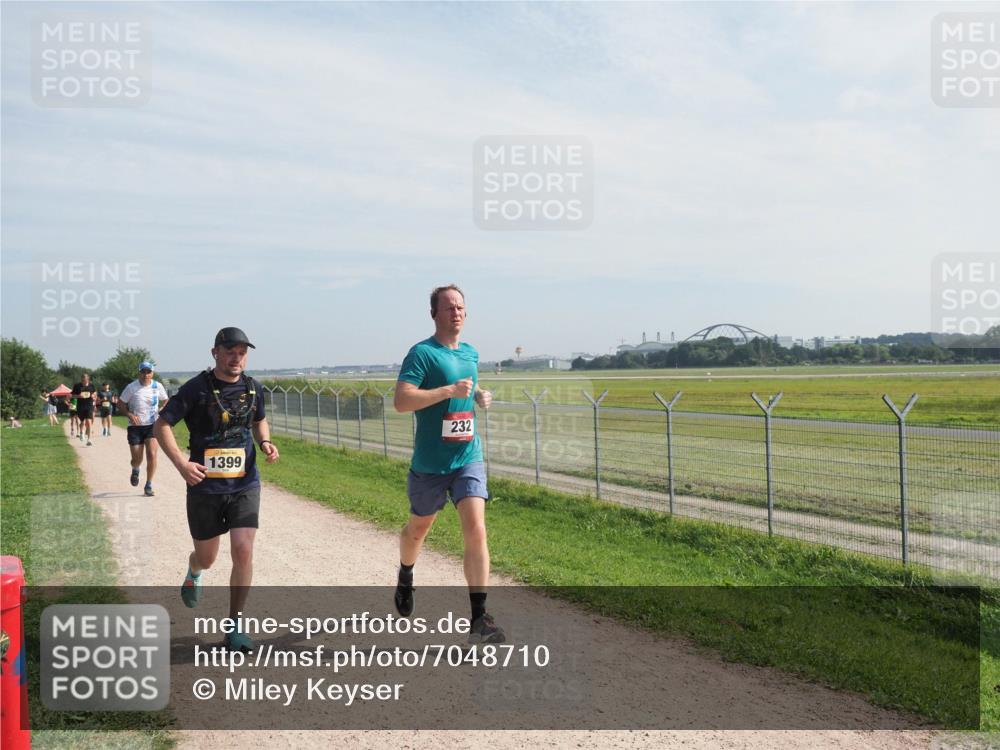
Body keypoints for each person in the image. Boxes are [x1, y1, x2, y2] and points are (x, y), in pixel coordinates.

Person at [153, 327, 279, 653]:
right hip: (204, 488)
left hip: (244, 482)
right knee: (208, 558)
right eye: (230, 352)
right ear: (215, 353)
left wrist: (264, 440)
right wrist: (181, 464)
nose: (236, 358)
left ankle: (235, 625)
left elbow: (259, 420)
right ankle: (194, 568)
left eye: (242, 352)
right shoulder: (196, 389)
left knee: (243, 549)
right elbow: (161, 424)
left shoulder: (254, 389)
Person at [392, 284, 503, 644]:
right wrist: (446, 392)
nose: (456, 312)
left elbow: (468, 388)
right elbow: (401, 400)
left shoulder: (471, 353)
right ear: (434, 314)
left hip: (467, 456)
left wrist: (479, 396)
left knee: (476, 528)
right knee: (417, 530)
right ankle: (406, 574)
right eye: (449, 307)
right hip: (430, 463)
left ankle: (478, 619)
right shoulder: (421, 354)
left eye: (461, 307)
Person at [119, 362, 169, 497]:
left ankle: (149, 484)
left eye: (148, 372)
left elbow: (165, 400)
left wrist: (161, 410)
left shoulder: (157, 386)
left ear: (152, 373)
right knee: (137, 458)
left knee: (152, 454)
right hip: (135, 427)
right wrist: (129, 414)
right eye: (143, 372)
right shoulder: (131, 387)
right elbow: (121, 403)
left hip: (152, 425)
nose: (146, 375)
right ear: (139, 373)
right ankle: (135, 469)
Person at [71, 373, 98, 446]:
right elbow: (72, 395)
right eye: (82, 380)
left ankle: (89, 439)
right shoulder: (77, 386)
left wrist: (93, 395)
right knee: (82, 422)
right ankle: (81, 432)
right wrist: (78, 396)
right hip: (80, 406)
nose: (83, 381)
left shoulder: (91, 386)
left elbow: (95, 392)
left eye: (85, 380)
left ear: (88, 379)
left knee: (89, 422)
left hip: (89, 405)